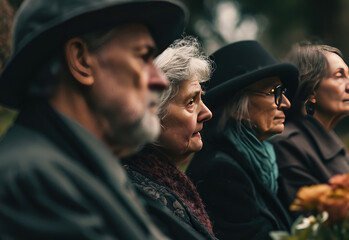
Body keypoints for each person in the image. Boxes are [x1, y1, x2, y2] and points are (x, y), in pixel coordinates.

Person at [0, 0, 205, 239]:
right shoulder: (34, 181)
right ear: (81, 59)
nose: (160, 81)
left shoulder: (82, 169)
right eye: (143, 57)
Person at [186, 40, 299, 240]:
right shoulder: (220, 172)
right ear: (239, 109)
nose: (286, 103)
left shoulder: (264, 160)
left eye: (283, 92)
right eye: (274, 92)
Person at [122, 36, 216, 239]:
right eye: (191, 101)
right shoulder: (140, 196)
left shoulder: (168, 180)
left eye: (201, 99)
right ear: (151, 112)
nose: (207, 113)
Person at [270, 43, 349, 219]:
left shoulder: (331, 143)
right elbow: (310, 225)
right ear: (311, 90)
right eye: (339, 75)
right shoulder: (288, 145)